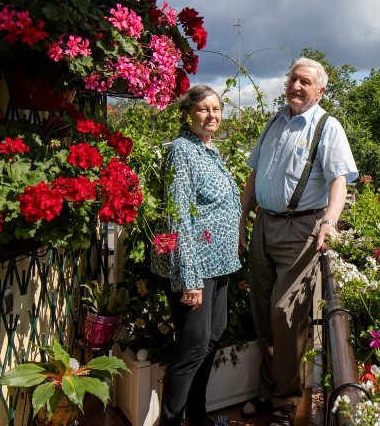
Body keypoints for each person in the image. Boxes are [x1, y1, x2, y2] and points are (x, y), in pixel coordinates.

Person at [239, 58, 358, 426]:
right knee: (262, 311)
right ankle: (270, 389)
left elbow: (339, 180)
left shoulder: (327, 126)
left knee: (285, 314)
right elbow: (255, 174)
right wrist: (243, 216)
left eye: (305, 81)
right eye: (293, 78)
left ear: (320, 90)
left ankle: (288, 402)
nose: (296, 85)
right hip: (264, 226)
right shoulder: (275, 121)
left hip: (300, 229)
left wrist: (330, 222)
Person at [151, 85, 241, 426]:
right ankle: (171, 421)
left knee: (211, 338)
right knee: (192, 347)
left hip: (219, 266)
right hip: (195, 268)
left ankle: (197, 415)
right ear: (187, 113)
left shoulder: (209, 152)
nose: (212, 115)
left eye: (216, 109)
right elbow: (177, 217)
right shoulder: (181, 151)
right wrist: (189, 278)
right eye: (203, 109)